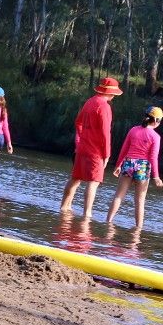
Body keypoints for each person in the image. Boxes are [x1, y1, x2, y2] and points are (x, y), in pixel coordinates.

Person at [60, 76, 122, 220]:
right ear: (111, 93)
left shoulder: (90, 101)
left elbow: (78, 122)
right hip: (95, 151)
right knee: (93, 183)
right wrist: (107, 154)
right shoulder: (105, 106)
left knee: (75, 178)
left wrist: (83, 137)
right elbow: (106, 133)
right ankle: (87, 214)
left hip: (82, 148)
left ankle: (64, 206)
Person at [105, 106, 163, 228]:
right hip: (142, 167)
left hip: (128, 163)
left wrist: (118, 165)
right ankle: (138, 229)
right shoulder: (155, 137)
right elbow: (153, 157)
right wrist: (156, 177)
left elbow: (124, 149)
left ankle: (108, 222)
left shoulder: (133, 130)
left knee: (119, 195)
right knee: (140, 201)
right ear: (157, 121)